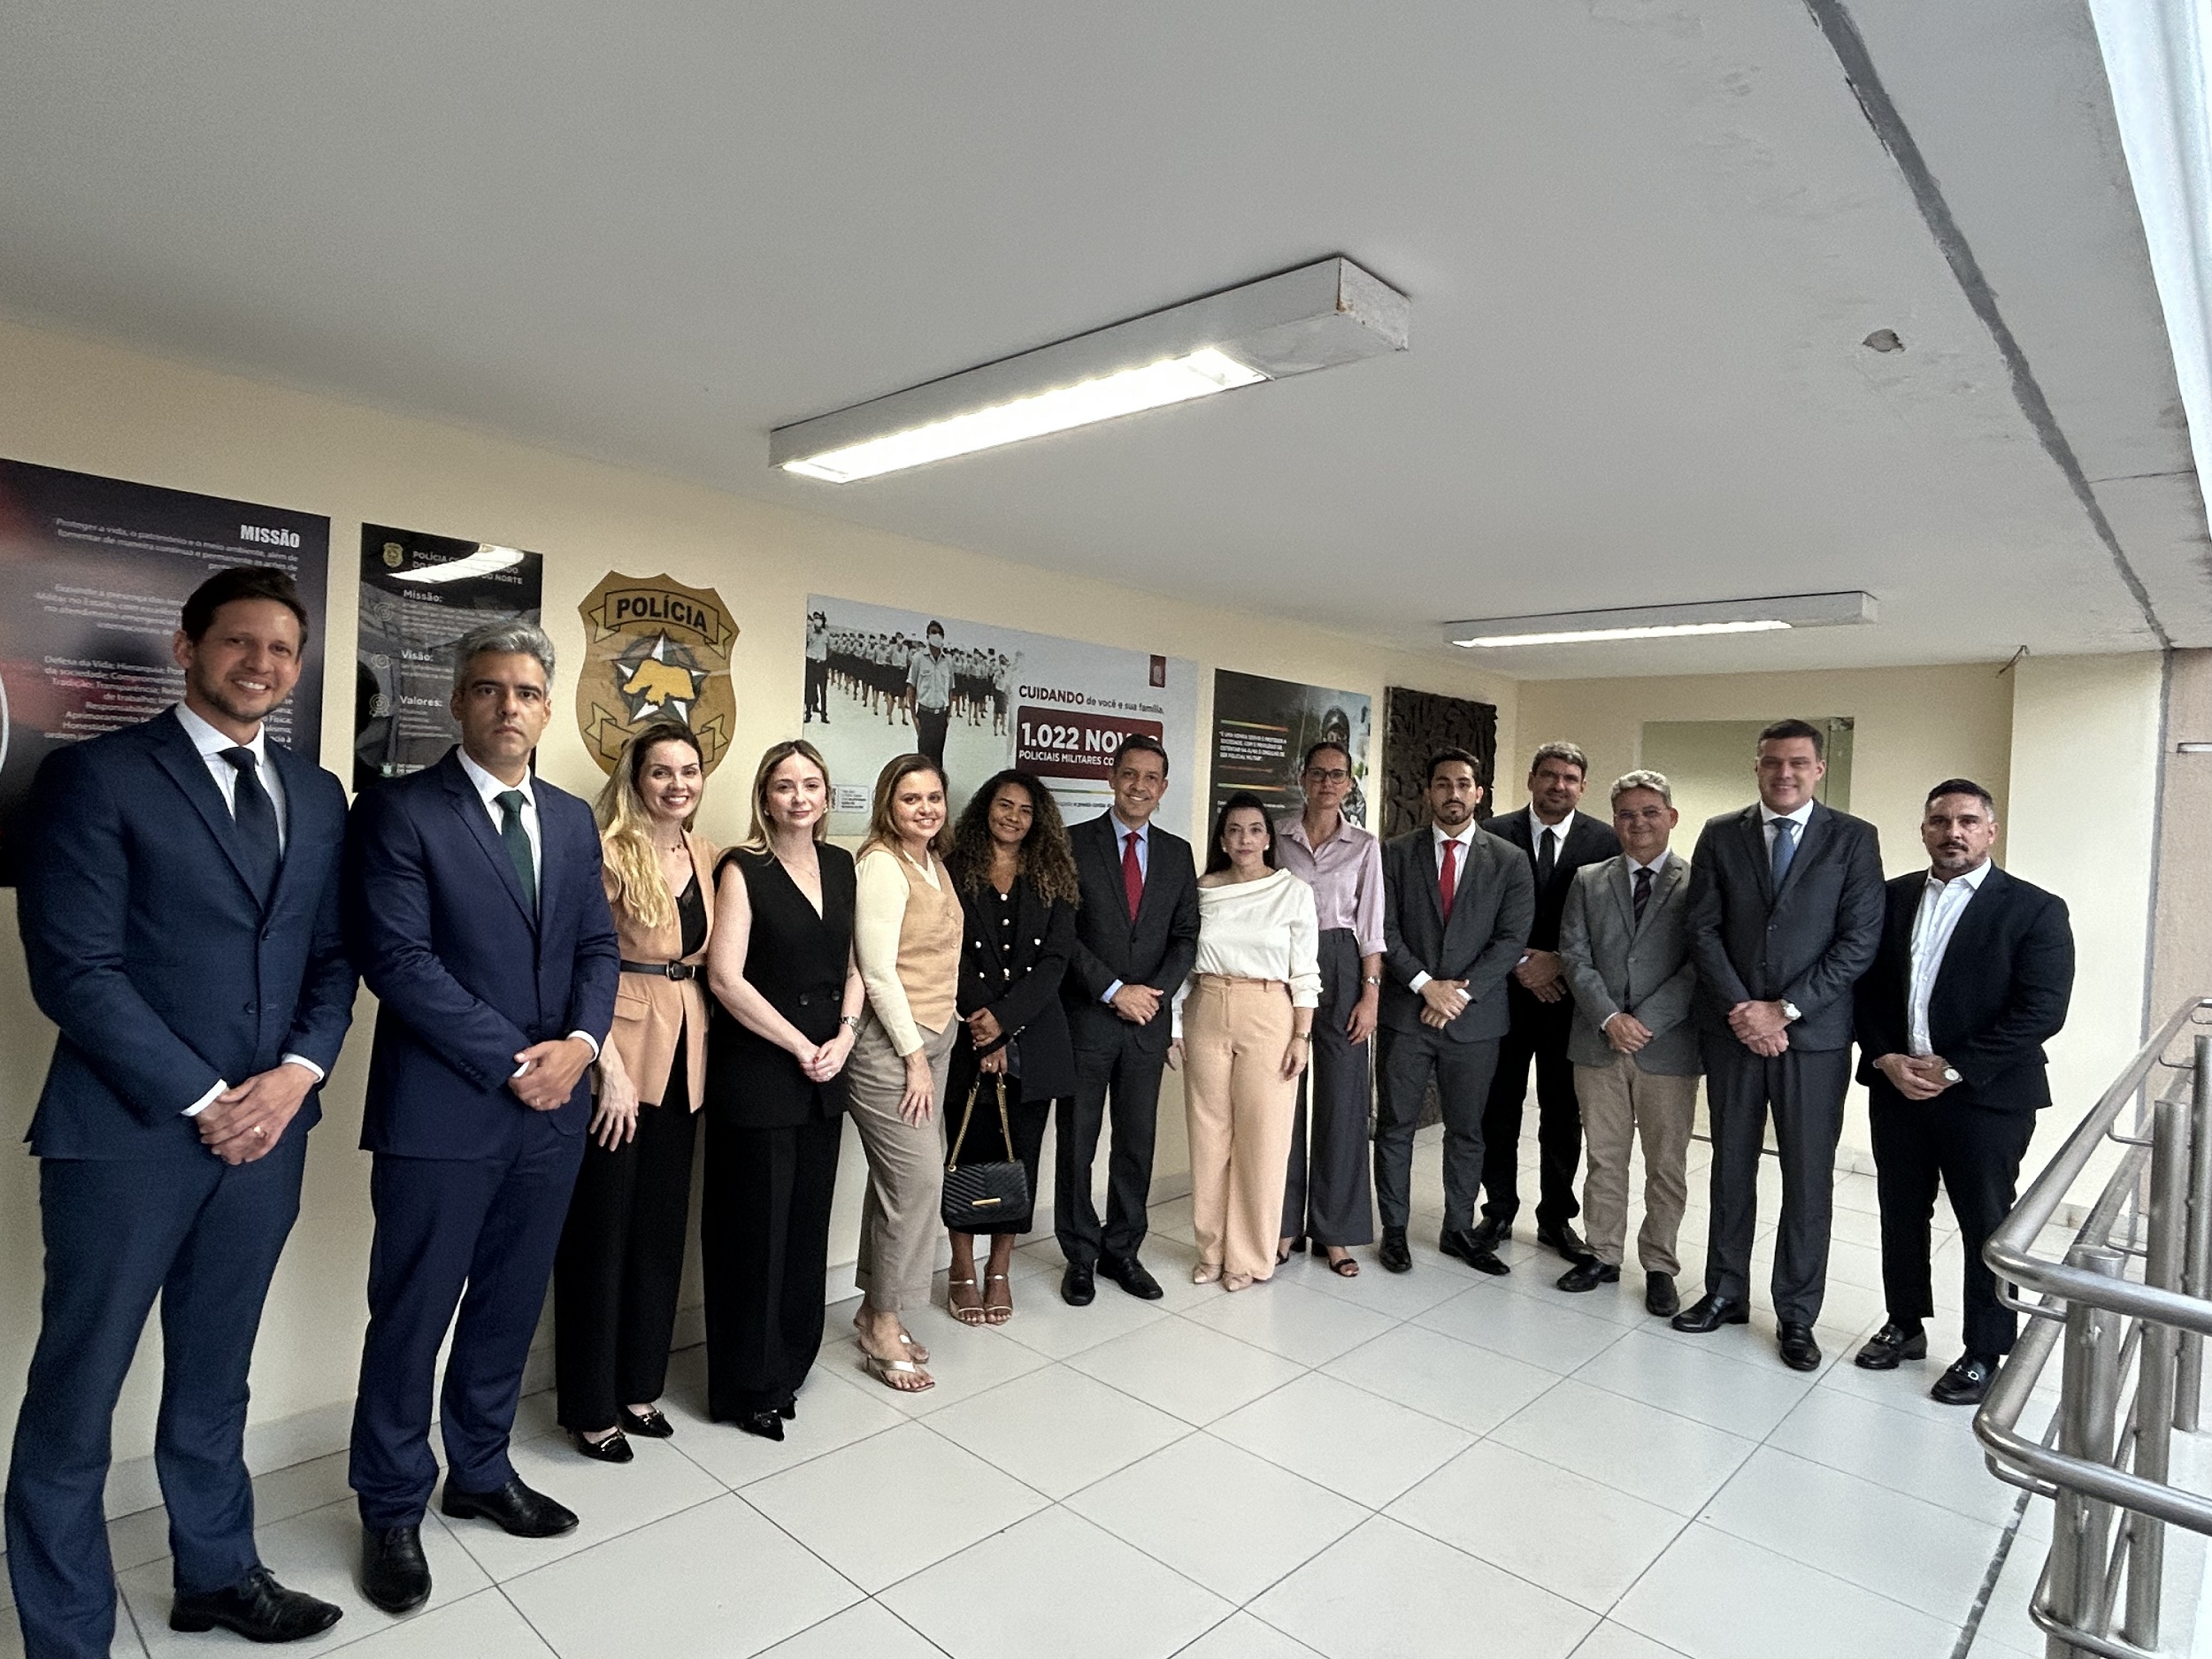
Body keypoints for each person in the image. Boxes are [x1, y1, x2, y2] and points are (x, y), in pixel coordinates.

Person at [6, 567, 354, 1655]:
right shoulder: (96, 777)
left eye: (281, 649)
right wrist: (209, 1098)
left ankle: (215, 1574)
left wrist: (297, 1075)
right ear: (187, 647)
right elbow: (75, 971)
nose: (261, 664)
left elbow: (332, 959)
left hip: (269, 1139)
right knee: (78, 1391)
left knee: (215, 1373)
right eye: (239, 641)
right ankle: (68, 1634)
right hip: (127, 1138)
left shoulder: (317, 794)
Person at [343, 619, 618, 1613]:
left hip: (550, 1118)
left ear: (548, 710)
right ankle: (389, 1505)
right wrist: (518, 1063)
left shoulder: (571, 819)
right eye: (492, 689)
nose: (511, 707)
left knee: (507, 1303)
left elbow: (597, 946)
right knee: (412, 1315)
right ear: (459, 700)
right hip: (442, 1114)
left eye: (528, 692)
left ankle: (481, 1470)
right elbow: (399, 961)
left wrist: (580, 1046)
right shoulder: (399, 810)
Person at [1852, 780, 2074, 1405]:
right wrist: (1884, 1056)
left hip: (1987, 1095)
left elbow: (2042, 1010)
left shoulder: (2035, 908)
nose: (1954, 832)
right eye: (1941, 820)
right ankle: (1904, 1324)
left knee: (1985, 1222)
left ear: (1990, 831)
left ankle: (1985, 1349)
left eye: (1968, 821)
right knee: (1900, 1209)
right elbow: (1862, 988)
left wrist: (1954, 1068)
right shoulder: (1890, 898)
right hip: (1898, 1086)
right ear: (1924, 829)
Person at [1674, 718, 1884, 1372]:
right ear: (1757, 766)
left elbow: (1858, 940)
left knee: (1807, 1177)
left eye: (1797, 762)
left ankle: (1797, 1313)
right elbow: (1702, 929)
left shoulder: (1853, 838)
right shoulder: (1720, 833)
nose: (1784, 773)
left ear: (1818, 768)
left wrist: (1784, 1009)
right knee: (1730, 1166)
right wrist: (1745, 1010)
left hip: (1812, 1038)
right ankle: (1725, 1291)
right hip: (1733, 1032)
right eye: (1772, 762)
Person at [552, 721, 717, 1463]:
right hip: (619, 1053)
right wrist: (607, 1068)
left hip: (686, 1054)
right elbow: (583, 962)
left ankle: (640, 1384)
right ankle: (590, 1404)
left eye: (689, 770)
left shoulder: (705, 854)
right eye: (661, 771)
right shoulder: (609, 850)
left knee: (659, 1230)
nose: (677, 784)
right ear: (636, 778)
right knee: (601, 1232)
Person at [702, 739, 863, 1438]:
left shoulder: (841, 864)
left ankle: (791, 1361)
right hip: (762, 1070)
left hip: (827, 1070)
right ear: (765, 797)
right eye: (784, 785)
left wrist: (845, 1036)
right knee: (753, 1234)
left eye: (811, 784)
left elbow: (856, 964)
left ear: (826, 796)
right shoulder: (743, 868)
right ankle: (749, 1385)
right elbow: (725, 977)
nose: (799, 797)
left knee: (804, 1226)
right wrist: (800, 1044)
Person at [1374, 749, 1535, 1274]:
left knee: (1468, 1131)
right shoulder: (1394, 855)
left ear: (1478, 793)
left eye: (1463, 784)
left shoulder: (1509, 860)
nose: (1453, 793)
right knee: (1395, 1126)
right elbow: (1384, 930)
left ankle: (1458, 1229)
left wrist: (1457, 996)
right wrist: (1426, 986)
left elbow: (1510, 941)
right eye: (1442, 783)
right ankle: (1394, 1231)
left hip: (1475, 1021)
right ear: (1428, 792)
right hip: (1407, 1015)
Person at [1059, 735, 1201, 1305]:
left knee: (1135, 1144)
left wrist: (1154, 995)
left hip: (1147, 1026)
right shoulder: (1072, 845)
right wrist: (1115, 990)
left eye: (1151, 778)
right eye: (1130, 774)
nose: (1139, 786)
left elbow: (1186, 936)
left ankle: (1122, 1251)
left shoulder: (1177, 853)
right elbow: (1063, 934)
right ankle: (1079, 1255)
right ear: (1111, 778)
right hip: (1088, 1021)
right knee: (1077, 1144)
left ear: (1163, 788)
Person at [1555, 771, 1698, 1316]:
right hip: (1599, 1042)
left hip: (1668, 1047)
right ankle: (1602, 1253)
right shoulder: (1588, 879)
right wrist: (1611, 1017)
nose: (1638, 823)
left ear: (1671, 817)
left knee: (1666, 1164)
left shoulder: (1699, 882)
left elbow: (1699, 965)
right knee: (1604, 1157)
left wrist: (1645, 1021)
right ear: (1614, 821)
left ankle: (1660, 1264)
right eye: (1626, 814)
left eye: (1650, 812)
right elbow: (1574, 955)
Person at [942, 770, 1080, 1324]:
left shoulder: (1056, 876)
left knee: (1019, 1157)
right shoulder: (952, 868)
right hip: (964, 1034)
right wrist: (986, 1027)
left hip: (1033, 1038)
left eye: (1026, 810)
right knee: (964, 1154)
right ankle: (961, 1269)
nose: (1014, 818)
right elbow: (947, 950)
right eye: (1005, 805)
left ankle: (999, 1269)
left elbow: (1055, 961)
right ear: (986, 808)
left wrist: (1004, 1022)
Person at [1477, 742, 1621, 1260]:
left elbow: (1610, 925)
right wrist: (1522, 963)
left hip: (1571, 1002)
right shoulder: (1492, 834)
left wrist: (1558, 961)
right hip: (1504, 996)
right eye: (1550, 775)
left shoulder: (1606, 841)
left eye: (1570, 778)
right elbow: (1478, 913)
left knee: (1563, 1113)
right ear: (1532, 779)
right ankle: (1497, 1209)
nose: (1559, 785)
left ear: (1583, 787)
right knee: (1499, 1107)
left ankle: (1556, 1218)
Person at [847, 754, 962, 1390]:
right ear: (888, 804)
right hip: (893, 1048)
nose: (925, 808)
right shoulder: (882, 866)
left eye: (934, 797)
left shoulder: (932, 861)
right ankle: (884, 1323)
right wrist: (914, 1058)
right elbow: (877, 970)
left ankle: (873, 1309)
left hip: (934, 1037)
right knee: (916, 1183)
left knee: (898, 1185)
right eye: (910, 798)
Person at [1177, 794, 1319, 1290]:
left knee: (1263, 1139)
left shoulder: (1292, 891)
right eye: (1234, 830)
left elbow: (1305, 970)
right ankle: (1211, 1251)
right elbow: (1183, 962)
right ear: (1222, 839)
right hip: (1207, 1006)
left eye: (1255, 829)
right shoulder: (1202, 890)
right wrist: (1174, 1024)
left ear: (1268, 838)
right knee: (1208, 1136)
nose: (1245, 840)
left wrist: (1301, 1035)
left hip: (1269, 1011)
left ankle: (1249, 1257)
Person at [1273, 741, 1385, 1276]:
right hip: (1283, 963)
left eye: (1337, 775)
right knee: (1283, 1091)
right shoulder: (1276, 837)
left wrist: (1371, 993)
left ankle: (1335, 1233)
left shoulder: (1364, 845)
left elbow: (1372, 926)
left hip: (1342, 959)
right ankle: (1284, 1223)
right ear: (1302, 777)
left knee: (1343, 1101)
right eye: (1317, 773)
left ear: (1349, 782)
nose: (1326, 783)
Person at [906, 620, 956, 769]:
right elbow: (911, 687)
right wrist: (914, 716)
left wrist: (948, 715)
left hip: (941, 716)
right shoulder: (919, 658)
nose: (936, 636)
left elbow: (950, 690)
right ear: (927, 636)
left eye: (939, 633)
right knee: (924, 760)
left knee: (938, 760)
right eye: (933, 632)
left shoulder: (948, 661)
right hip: (925, 715)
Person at [803, 611, 831, 725]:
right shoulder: (809, 632)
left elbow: (829, 649)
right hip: (811, 663)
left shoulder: (826, 634)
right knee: (810, 689)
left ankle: (823, 716)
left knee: (823, 691)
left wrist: (824, 660)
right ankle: (808, 714)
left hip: (821, 665)